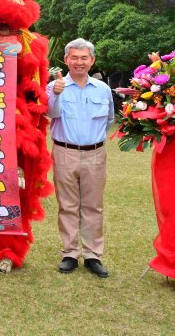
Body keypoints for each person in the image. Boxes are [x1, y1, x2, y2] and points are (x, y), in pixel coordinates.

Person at [47, 38, 113, 278]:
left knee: (93, 205)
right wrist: (55, 94)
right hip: (65, 152)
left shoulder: (103, 89)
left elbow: (109, 119)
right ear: (66, 60)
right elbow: (50, 114)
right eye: (74, 57)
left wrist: (92, 141)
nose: (79, 62)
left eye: (84, 58)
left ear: (92, 60)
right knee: (67, 205)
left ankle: (93, 255)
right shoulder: (56, 86)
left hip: (96, 153)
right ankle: (70, 253)